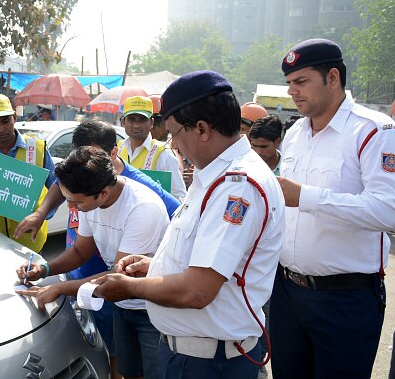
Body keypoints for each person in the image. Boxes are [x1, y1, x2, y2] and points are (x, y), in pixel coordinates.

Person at [93, 70, 286, 379]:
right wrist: (154, 265)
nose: (173, 145)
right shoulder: (213, 176)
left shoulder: (237, 186)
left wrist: (130, 287)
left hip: (209, 362)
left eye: (173, 133)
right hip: (193, 354)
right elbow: (202, 259)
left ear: (202, 129)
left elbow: (197, 291)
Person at [271, 38, 395, 379]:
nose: (292, 92)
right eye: (289, 84)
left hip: (345, 298)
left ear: (332, 77)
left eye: (301, 82)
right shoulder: (296, 132)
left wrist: (307, 197)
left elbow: (389, 211)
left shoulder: (375, 131)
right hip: (287, 291)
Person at [14, 119, 180, 379]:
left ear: (103, 193)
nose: (70, 208)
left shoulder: (141, 208)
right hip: (121, 304)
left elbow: (119, 276)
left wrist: (58, 288)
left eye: (75, 202)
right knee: (127, 371)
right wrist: (45, 268)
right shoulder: (90, 199)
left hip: (151, 310)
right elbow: (80, 251)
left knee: (155, 373)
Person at [0, 93, 56, 252]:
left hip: (30, 240)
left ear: (14, 117)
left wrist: (42, 214)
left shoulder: (36, 149)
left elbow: (56, 187)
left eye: (6, 121)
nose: (1, 128)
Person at [118, 95, 187, 199]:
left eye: (142, 120)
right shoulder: (118, 149)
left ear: (151, 123)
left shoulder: (163, 153)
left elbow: (179, 196)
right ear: (123, 122)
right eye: (131, 119)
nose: (136, 125)